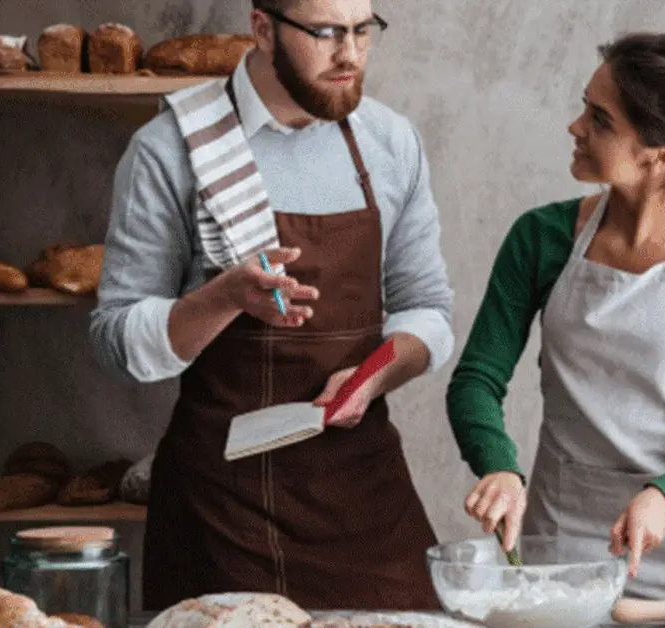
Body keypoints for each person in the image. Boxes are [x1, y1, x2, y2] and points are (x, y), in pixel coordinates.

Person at [89, 0, 454, 612]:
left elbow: (428, 309)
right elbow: (114, 340)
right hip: (221, 507)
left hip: (361, 493)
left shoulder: (390, 142)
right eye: (327, 33)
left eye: (364, 30)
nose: (351, 55)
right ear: (261, 29)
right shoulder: (171, 149)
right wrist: (222, 298)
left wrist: (374, 375)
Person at [445, 31, 665, 599]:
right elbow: (476, 380)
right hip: (563, 549)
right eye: (584, 107)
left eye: (599, 119)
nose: (576, 126)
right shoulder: (540, 237)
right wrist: (498, 466)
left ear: (660, 155)